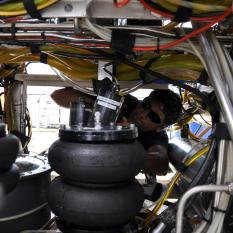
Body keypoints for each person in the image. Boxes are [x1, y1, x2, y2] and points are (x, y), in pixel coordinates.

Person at [51, 87, 182, 176]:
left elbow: (160, 164)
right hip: (77, 165)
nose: (143, 114)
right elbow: (57, 95)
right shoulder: (122, 100)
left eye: (153, 116)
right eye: (146, 105)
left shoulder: (156, 137)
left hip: (110, 178)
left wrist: (127, 142)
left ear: (161, 127)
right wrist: (101, 105)